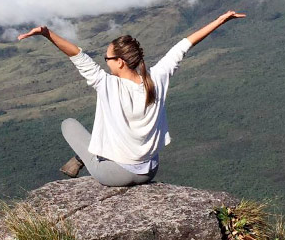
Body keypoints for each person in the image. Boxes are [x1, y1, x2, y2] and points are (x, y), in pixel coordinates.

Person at [17, 10, 245, 186]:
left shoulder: (106, 83)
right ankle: (88, 155)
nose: (105, 61)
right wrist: (220, 20)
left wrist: (47, 34)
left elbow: (78, 55)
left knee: (69, 125)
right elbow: (184, 45)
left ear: (120, 62)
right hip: (149, 171)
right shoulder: (157, 78)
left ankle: (84, 157)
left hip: (114, 175)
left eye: (107, 58)